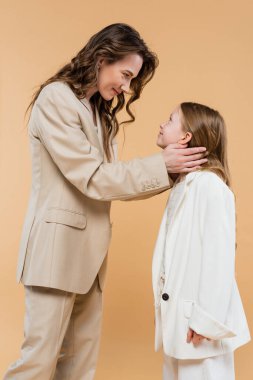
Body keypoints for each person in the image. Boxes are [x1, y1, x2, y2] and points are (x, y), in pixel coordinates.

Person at [4, 24, 207, 380]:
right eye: (125, 75)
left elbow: (111, 185)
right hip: (54, 255)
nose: (127, 88)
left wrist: (171, 172)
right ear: (101, 59)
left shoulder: (100, 114)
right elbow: (93, 177)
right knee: (38, 364)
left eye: (132, 80)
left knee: (79, 369)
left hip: (91, 261)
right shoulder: (56, 99)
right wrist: (163, 165)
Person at [152, 102, 251, 380]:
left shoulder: (209, 187)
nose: (162, 124)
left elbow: (218, 260)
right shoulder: (183, 186)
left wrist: (206, 321)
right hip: (180, 325)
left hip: (199, 328)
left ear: (186, 137)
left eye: (170, 120)